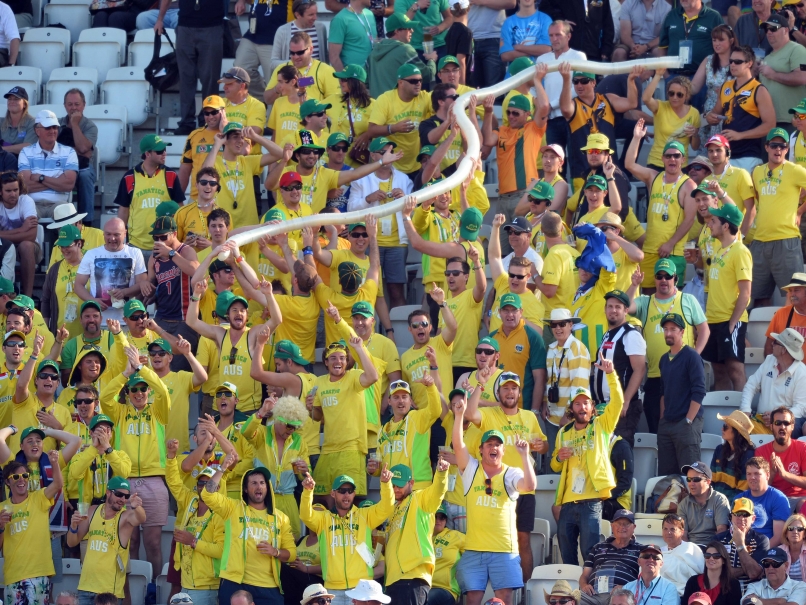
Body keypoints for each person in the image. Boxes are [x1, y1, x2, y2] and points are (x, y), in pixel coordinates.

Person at [451, 393, 537, 605]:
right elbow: (458, 445)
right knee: (472, 599)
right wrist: (459, 416)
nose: (493, 448)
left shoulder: (511, 472)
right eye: (488, 444)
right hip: (474, 549)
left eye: (497, 444)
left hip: (504, 550)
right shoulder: (471, 469)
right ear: (480, 450)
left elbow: (529, 486)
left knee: (504, 599)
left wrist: (524, 456)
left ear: (503, 450)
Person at [99, 348, 171, 581]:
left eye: (143, 389)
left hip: (154, 481)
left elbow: (163, 391)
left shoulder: (158, 411)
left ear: (148, 391)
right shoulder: (119, 413)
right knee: (130, 540)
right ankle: (128, 587)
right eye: (134, 389)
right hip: (125, 481)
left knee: (153, 543)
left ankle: (154, 589)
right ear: (127, 393)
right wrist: (125, 374)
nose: (139, 393)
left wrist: (141, 368)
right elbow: (104, 398)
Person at [550, 351, 623, 565]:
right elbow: (554, 466)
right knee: (567, 554)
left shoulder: (601, 426)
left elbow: (618, 402)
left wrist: (611, 374)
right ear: (571, 408)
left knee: (590, 554)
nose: (582, 407)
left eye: (586, 403)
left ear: (592, 407)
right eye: (577, 404)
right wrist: (559, 458)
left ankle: (589, 587)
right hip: (567, 502)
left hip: (591, 502)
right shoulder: (563, 433)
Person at [201, 457, 296, 605]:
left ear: (267, 487)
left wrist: (275, 551)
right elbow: (207, 494)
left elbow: (292, 554)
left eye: (262, 483)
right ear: (245, 489)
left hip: (268, 586)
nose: (259, 487)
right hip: (235, 582)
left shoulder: (281, 518)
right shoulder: (232, 508)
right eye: (254, 483)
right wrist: (222, 468)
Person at [300, 467, 395, 605]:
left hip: (360, 589)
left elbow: (387, 507)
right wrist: (308, 491)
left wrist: (386, 484)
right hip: (332, 589)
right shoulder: (323, 519)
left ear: (354, 493)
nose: (346, 495)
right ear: (333, 493)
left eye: (350, 491)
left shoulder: (364, 515)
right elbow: (305, 515)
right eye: (342, 491)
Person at [626, 120, 697, 291]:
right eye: (668, 156)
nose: (672, 159)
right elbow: (629, 165)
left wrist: (671, 243)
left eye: (677, 156)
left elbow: (689, 219)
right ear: (662, 159)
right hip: (650, 248)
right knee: (648, 295)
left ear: (683, 159)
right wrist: (636, 138)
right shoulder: (653, 176)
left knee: (670, 297)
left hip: (673, 251)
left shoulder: (689, 185)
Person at [482, 66, 550, 233]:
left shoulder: (533, 129)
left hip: (523, 195)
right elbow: (488, 140)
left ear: (527, 114)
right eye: (508, 112)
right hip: (503, 197)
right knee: (503, 246)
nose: (511, 116)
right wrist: (488, 112)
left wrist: (537, 80)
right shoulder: (502, 130)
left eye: (515, 113)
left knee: (522, 241)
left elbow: (544, 106)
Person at [749, 127, 806, 307]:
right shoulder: (757, 171)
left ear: (787, 149)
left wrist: (800, 211)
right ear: (766, 147)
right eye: (774, 145)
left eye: (783, 146)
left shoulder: (795, 170)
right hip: (759, 241)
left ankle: (792, 327)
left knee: (796, 296)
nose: (778, 149)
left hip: (786, 240)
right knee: (757, 296)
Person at [67, 477, 146, 605]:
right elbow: (72, 542)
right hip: (85, 586)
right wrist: (73, 526)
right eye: (119, 494)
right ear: (108, 492)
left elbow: (141, 518)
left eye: (126, 496)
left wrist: (136, 506)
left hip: (109, 592)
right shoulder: (92, 510)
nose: (122, 499)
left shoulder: (125, 516)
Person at [164, 438, 224, 605]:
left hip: (207, 586)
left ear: (217, 487)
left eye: (208, 483)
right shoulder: (190, 501)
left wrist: (193, 542)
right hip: (187, 583)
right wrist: (171, 457)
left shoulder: (221, 513)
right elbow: (174, 482)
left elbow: (221, 550)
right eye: (200, 483)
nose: (203, 486)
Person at [559, 65, 639, 188]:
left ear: (593, 83)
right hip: (582, 172)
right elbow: (565, 109)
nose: (579, 85)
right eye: (575, 82)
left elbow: (632, 103)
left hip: (609, 170)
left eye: (584, 81)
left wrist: (631, 80)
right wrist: (566, 80)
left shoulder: (607, 99)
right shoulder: (574, 104)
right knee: (585, 201)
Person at [700, 202, 752, 390]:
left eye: (714, 221)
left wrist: (733, 323)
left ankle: (742, 408)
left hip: (729, 320)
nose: (709, 224)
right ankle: (722, 409)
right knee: (719, 371)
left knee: (735, 370)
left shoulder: (740, 251)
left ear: (725, 226)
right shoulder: (719, 250)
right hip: (713, 319)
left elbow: (746, 292)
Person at [0, 450, 63, 605]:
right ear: (7, 482)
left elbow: (58, 484)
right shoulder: (1, 508)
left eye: (25, 475)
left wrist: (54, 463)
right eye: (15, 477)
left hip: (38, 573)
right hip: (12, 576)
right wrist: (0, 526)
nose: (21, 480)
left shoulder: (38, 498)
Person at [153, 0, 224, 136]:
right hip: (185, 26)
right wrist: (160, 19)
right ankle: (186, 122)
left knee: (210, 77)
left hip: (212, 26)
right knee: (186, 77)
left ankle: (208, 119)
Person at [384, 461, 450, 605]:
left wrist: (441, 473)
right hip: (393, 579)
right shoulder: (393, 510)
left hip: (413, 577)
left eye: (400, 485)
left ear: (411, 483)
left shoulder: (420, 498)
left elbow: (437, 491)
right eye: (393, 485)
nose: (396, 489)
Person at [113, 134, 186, 257]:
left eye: (164, 150)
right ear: (147, 154)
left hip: (165, 244)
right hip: (136, 245)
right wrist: (120, 236)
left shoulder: (171, 175)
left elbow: (180, 208)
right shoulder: (129, 177)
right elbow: (124, 210)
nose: (164, 153)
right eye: (159, 151)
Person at [591, 289, 647, 447]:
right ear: (605, 309)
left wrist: (626, 401)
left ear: (626, 310)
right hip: (605, 406)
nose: (613, 310)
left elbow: (639, 370)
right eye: (610, 306)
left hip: (622, 406)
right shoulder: (607, 334)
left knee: (620, 450)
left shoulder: (631, 335)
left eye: (618, 307)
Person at [706, 45, 775, 171]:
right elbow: (715, 113)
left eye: (738, 62)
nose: (733, 65)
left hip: (748, 155)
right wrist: (710, 117)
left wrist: (740, 135)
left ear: (749, 63)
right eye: (731, 61)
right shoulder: (725, 86)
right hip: (726, 154)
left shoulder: (759, 89)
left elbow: (770, 125)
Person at [656, 313, 706, 474]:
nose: (668, 333)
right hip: (667, 424)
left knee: (691, 476)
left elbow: (699, 391)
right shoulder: (664, 359)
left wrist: (688, 421)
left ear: (682, 332)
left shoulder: (692, 356)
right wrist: (663, 419)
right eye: (665, 329)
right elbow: (663, 392)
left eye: (673, 329)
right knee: (666, 478)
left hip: (686, 423)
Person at [74, 217, 150, 321]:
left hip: (128, 320)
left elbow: (142, 284)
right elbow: (78, 285)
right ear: (103, 234)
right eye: (108, 234)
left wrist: (125, 292)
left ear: (125, 233)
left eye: (116, 234)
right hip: (98, 321)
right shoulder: (91, 254)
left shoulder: (135, 253)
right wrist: (92, 301)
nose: (112, 238)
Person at [536, 21, 587, 174]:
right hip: (551, 119)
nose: (554, 39)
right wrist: (540, 105)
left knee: (577, 160)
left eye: (558, 35)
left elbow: (579, 88)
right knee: (555, 163)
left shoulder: (578, 56)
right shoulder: (542, 59)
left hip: (573, 117)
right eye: (551, 35)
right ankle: (556, 190)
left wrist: (550, 105)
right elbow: (533, 87)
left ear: (568, 36)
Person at [542, 307, 590, 448]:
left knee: (570, 458)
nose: (558, 328)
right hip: (551, 416)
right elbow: (549, 380)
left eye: (562, 324)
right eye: (554, 325)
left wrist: (569, 415)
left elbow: (579, 387)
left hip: (571, 419)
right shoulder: (552, 348)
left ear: (571, 325)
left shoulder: (577, 348)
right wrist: (544, 403)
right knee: (553, 458)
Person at [742, 330, 806, 436]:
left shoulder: (802, 372)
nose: (772, 344)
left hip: (786, 422)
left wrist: (777, 417)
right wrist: (745, 410)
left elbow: (800, 408)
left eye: (776, 342)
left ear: (783, 350)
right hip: (761, 419)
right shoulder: (769, 360)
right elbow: (751, 385)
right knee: (735, 429)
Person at [17, 109, 78, 219]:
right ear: (37, 131)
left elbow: (68, 185)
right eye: (48, 128)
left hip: (59, 204)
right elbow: (26, 186)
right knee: (26, 217)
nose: (52, 131)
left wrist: (40, 178)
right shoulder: (25, 152)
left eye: (55, 127)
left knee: (66, 214)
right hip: (31, 203)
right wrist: (57, 181)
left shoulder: (69, 152)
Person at [578, 509, 644, 605]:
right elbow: (585, 574)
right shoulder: (598, 547)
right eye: (618, 523)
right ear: (612, 525)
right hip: (592, 594)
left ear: (634, 527)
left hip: (620, 595)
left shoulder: (641, 550)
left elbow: (645, 577)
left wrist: (627, 587)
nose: (622, 527)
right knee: (569, 600)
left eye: (626, 524)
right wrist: (584, 585)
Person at [368, 14, 437, 98]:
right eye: (408, 28)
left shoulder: (373, 52)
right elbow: (427, 75)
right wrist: (431, 59)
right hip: (398, 104)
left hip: (377, 104)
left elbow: (366, 82)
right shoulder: (405, 50)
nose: (412, 30)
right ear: (397, 31)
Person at [642, 72, 701, 170]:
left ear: (687, 96)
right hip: (657, 162)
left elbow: (695, 147)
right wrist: (658, 75)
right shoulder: (660, 107)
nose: (674, 97)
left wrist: (695, 134)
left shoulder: (694, 113)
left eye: (679, 95)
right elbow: (646, 98)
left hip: (680, 164)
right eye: (671, 93)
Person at [656, 0, 725, 82]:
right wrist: (667, 76)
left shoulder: (714, 17)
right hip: (673, 77)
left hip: (703, 78)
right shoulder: (671, 15)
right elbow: (662, 48)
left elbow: (724, 48)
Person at [757, 14, 806, 128]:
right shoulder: (767, 57)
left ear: (786, 30)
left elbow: (802, 78)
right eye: (766, 29)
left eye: (773, 28)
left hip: (792, 121)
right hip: (769, 123)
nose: (769, 32)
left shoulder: (797, 50)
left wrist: (773, 75)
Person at [57, 90, 97, 227]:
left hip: (83, 166)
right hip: (58, 164)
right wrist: (75, 150)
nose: (73, 108)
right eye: (70, 104)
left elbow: (83, 148)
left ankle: (87, 222)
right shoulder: (56, 124)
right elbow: (52, 148)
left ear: (84, 105)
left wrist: (74, 124)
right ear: (64, 106)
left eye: (77, 104)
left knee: (85, 176)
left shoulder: (90, 126)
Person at [691, 25, 736, 143]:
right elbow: (694, 87)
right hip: (710, 115)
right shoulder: (708, 60)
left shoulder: (739, 61)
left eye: (721, 40)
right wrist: (680, 87)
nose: (716, 43)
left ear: (731, 41)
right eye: (714, 40)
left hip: (732, 113)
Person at [41, 224, 85, 338]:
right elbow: (45, 300)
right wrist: (46, 330)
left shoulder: (91, 266)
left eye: (68, 245)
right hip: (60, 337)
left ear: (79, 243)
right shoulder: (54, 269)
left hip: (87, 337)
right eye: (61, 246)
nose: (64, 249)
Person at [715, 498, 769, 591]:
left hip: (751, 592)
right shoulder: (718, 539)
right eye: (738, 514)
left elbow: (753, 574)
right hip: (724, 591)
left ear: (753, 519)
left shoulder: (761, 540)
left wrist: (740, 544)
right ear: (731, 517)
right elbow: (717, 572)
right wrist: (746, 569)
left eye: (746, 515)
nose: (741, 518)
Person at [325, 65, 374, 165]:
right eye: (340, 79)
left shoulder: (373, 105)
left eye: (344, 80)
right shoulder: (334, 99)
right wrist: (301, 93)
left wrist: (368, 135)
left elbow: (381, 129)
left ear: (355, 82)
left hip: (356, 160)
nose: (340, 82)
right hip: (333, 160)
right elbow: (311, 111)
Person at [178, 95, 225, 198]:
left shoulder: (233, 133)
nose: (210, 117)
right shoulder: (194, 135)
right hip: (197, 196)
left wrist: (225, 130)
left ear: (223, 112)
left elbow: (245, 151)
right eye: (206, 113)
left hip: (224, 196)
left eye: (214, 112)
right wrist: (178, 199)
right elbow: (185, 169)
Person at [736, 457, 791, 544]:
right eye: (749, 474)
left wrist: (761, 551)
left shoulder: (778, 499)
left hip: (767, 548)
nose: (752, 477)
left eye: (757, 474)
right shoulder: (739, 499)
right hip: (741, 546)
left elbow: (779, 537)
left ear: (767, 475)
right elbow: (734, 529)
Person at [0, 171, 37, 297]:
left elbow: (32, 235)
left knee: (26, 245)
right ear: (0, 192)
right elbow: (26, 232)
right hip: (3, 247)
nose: (13, 194)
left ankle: (27, 298)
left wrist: (2, 235)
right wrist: (22, 229)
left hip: (27, 247)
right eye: (8, 191)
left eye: (16, 190)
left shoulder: (26, 201)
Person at [754, 407, 806, 497]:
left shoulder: (803, 448)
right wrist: (772, 472)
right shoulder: (761, 451)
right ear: (771, 426)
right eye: (778, 423)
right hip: (772, 498)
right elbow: (758, 487)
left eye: (786, 423)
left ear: (792, 426)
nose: (782, 427)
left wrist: (785, 474)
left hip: (798, 498)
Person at [677, 461, 731, 545]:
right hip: (691, 547)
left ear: (708, 481)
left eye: (696, 479)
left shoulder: (719, 500)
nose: (691, 483)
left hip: (713, 547)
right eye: (689, 479)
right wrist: (689, 550)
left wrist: (711, 550)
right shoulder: (683, 504)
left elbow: (721, 531)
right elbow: (683, 535)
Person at [541, 0, 614, 60]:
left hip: (593, 51)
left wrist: (606, 49)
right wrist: (560, 20)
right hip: (570, 50)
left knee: (590, 73)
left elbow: (607, 23)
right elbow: (544, 6)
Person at [710, 410, 756, 502]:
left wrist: (722, 505)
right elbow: (711, 480)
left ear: (737, 432)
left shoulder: (748, 455)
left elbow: (742, 491)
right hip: (715, 501)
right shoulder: (719, 449)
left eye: (725, 427)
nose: (722, 429)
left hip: (734, 505)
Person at [46, 202, 105, 268]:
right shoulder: (57, 243)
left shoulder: (99, 235)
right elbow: (51, 271)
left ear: (78, 222)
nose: (65, 230)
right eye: (60, 228)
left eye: (68, 226)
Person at [659, 513, 706, 594]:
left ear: (682, 532)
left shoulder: (691, 549)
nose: (668, 532)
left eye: (672, 529)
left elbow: (701, 573)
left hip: (688, 593)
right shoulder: (659, 552)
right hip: (663, 592)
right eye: (665, 529)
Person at [429, 502, 465, 605]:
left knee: (425, 599)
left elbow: (475, 552)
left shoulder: (455, 536)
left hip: (446, 589)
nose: (438, 520)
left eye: (442, 518)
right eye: (435, 516)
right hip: (423, 586)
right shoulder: (422, 537)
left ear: (446, 521)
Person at [764, 273, 806, 358]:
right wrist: (771, 364)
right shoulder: (781, 313)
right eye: (790, 291)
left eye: (796, 290)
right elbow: (769, 346)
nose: (792, 294)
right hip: (786, 366)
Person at [327, 0, 375, 72]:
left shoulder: (370, 14)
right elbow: (334, 57)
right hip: (353, 76)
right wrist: (345, 77)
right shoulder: (340, 19)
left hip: (372, 74)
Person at [498, 0, 551, 66]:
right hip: (517, 71)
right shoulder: (508, 22)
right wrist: (535, 51)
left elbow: (547, 49)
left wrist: (519, 47)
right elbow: (505, 55)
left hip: (540, 70)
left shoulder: (545, 19)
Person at [0, 87, 35, 155]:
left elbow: (28, 147)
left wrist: (2, 149)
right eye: (9, 99)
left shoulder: (32, 123)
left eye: (16, 99)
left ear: (24, 104)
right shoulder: (1, 122)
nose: (12, 101)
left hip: (22, 160)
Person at [779, 513, 806, 581]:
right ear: (786, 533)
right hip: (785, 588)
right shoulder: (779, 551)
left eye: (799, 529)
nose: (795, 532)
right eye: (791, 528)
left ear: (804, 534)